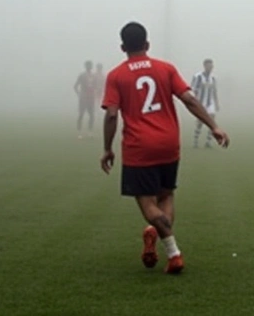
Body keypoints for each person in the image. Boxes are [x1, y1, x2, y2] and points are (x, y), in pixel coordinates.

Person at [100, 22, 229, 274]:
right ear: (147, 44)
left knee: (147, 203)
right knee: (166, 195)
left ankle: (174, 253)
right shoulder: (166, 68)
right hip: (169, 143)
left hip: (139, 147)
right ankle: (155, 236)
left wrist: (107, 148)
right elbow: (189, 99)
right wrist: (213, 125)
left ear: (123, 47)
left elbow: (112, 115)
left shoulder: (116, 75)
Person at [191, 58, 219, 149]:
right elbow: (193, 89)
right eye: (208, 65)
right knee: (200, 122)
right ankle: (195, 140)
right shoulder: (198, 77)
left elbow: (214, 91)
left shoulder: (213, 78)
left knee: (212, 120)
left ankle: (208, 142)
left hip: (210, 103)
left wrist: (217, 103)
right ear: (204, 66)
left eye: (211, 66)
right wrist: (194, 102)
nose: (210, 67)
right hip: (200, 102)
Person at [74, 60, 97, 138]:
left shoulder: (94, 76)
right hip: (83, 98)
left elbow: (96, 86)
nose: (89, 67)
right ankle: (79, 132)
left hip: (91, 98)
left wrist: (95, 93)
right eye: (88, 65)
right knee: (81, 114)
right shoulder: (82, 75)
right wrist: (79, 94)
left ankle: (90, 132)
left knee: (91, 115)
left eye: (90, 65)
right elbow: (75, 86)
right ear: (85, 66)